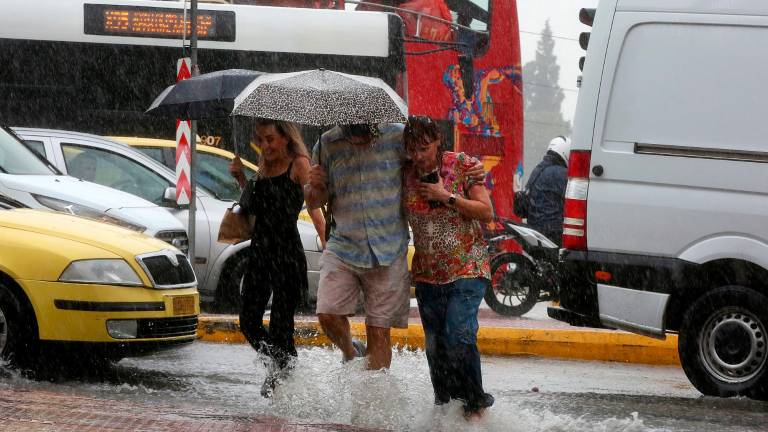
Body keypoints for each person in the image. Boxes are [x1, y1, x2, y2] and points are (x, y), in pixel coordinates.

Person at [402, 116, 495, 418]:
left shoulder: (463, 165)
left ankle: (474, 403)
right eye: (413, 149)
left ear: (438, 141)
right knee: (435, 348)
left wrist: (448, 197)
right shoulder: (403, 174)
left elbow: (485, 212)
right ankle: (445, 409)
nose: (419, 156)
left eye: (425, 148)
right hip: (429, 275)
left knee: (458, 334)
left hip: (468, 267)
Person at [227, 119, 325, 398]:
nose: (265, 145)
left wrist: (326, 241)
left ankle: (283, 379)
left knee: (282, 327)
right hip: (260, 251)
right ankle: (284, 365)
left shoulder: (299, 163)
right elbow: (255, 208)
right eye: (260, 139)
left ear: (285, 137)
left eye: (270, 139)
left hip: (287, 253)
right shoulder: (263, 164)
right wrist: (241, 179)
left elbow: (315, 207)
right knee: (248, 321)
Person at [305, 123, 411, 371]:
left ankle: (374, 400)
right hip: (344, 246)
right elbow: (314, 201)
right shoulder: (327, 144)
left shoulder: (397, 137)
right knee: (327, 313)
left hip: (389, 247)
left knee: (379, 330)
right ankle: (352, 353)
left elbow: (425, 163)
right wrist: (317, 186)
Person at [525, 135, 571, 246]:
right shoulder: (561, 173)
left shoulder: (538, 169)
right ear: (566, 152)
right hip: (552, 229)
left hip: (534, 226)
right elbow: (572, 199)